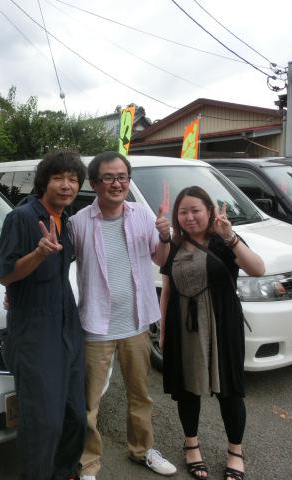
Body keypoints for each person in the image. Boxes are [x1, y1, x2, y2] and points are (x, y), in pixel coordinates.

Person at [68, 151, 177, 479]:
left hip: (136, 323)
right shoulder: (78, 223)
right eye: (109, 178)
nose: (117, 184)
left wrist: (165, 236)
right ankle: (88, 463)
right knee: (89, 403)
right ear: (94, 183)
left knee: (140, 395)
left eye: (122, 177)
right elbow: (57, 266)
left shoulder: (142, 214)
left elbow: (161, 260)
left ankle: (142, 449)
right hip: (96, 326)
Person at [159, 186, 265, 480]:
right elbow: (167, 290)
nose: (189, 217)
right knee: (187, 390)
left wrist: (230, 236)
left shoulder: (224, 240)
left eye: (196, 210)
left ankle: (235, 451)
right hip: (183, 327)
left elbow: (257, 269)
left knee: (230, 392)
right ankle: (191, 445)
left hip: (222, 325)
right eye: (183, 211)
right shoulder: (175, 245)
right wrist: (164, 331)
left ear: (209, 211)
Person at [0, 150, 87, 480]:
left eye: (73, 179)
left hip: (67, 324)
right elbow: (6, 274)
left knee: (76, 416)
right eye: (58, 178)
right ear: (44, 182)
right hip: (35, 330)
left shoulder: (66, 219)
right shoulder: (21, 218)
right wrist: (38, 253)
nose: (66, 185)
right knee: (43, 422)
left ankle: (64, 472)